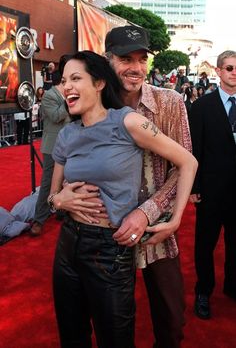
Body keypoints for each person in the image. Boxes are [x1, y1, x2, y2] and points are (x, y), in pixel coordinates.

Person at [53, 26, 194, 348]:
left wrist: (149, 213)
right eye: (126, 58)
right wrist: (57, 199)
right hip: (98, 238)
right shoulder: (87, 105)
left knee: (171, 320)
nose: (137, 68)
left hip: (153, 230)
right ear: (108, 60)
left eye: (142, 59)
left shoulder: (168, 102)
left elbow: (185, 163)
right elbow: (63, 173)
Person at [189, 50, 236, 320]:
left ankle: (232, 285)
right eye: (229, 68)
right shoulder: (202, 107)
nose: (234, 72)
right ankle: (203, 291)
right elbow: (193, 149)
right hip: (210, 190)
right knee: (205, 244)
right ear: (218, 71)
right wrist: (194, 186)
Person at [30, 69, 70, 236]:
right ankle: (39, 219)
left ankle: (61, 211)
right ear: (62, 79)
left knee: (68, 178)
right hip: (53, 146)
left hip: (71, 144)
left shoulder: (72, 93)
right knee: (48, 183)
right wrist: (68, 101)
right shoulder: (49, 96)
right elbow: (55, 116)